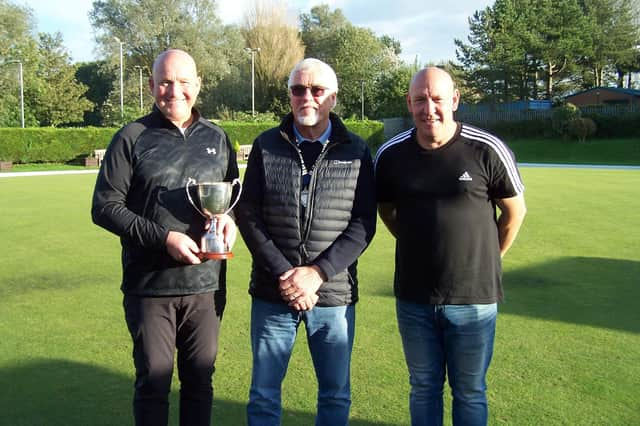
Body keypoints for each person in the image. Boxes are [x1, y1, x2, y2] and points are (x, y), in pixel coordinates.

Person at [91, 49, 239, 426]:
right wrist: (164, 238)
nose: (175, 91)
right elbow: (105, 206)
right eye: (166, 82)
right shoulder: (132, 137)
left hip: (205, 286)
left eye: (184, 82)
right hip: (149, 286)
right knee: (154, 384)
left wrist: (230, 223)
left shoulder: (218, 138)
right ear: (152, 85)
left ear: (198, 85)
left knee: (199, 383)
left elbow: (230, 200)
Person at [374, 67, 527, 426]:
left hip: (474, 299)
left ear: (454, 100)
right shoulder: (391, 155)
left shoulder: (486, 148)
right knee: (423, 387)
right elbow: (386, 211)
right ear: (410, 104)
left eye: (438, 99)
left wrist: (490, 256)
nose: (430, 108)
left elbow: (514, 213)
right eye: (420, 100)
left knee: (470, 390)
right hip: (414, 299)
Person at [236, 58, 377, 426]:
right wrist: (287, 274)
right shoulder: (266, 145)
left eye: (317, 90)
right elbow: (248, 215)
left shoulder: (356, 150)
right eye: (298, 90)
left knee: (334, 395)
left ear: (333, 97)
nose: (307, 98)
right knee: (264, 396)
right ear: (289, 96)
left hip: (332, 295)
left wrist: (317, 273)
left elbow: (363, 224)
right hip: (273, 291)